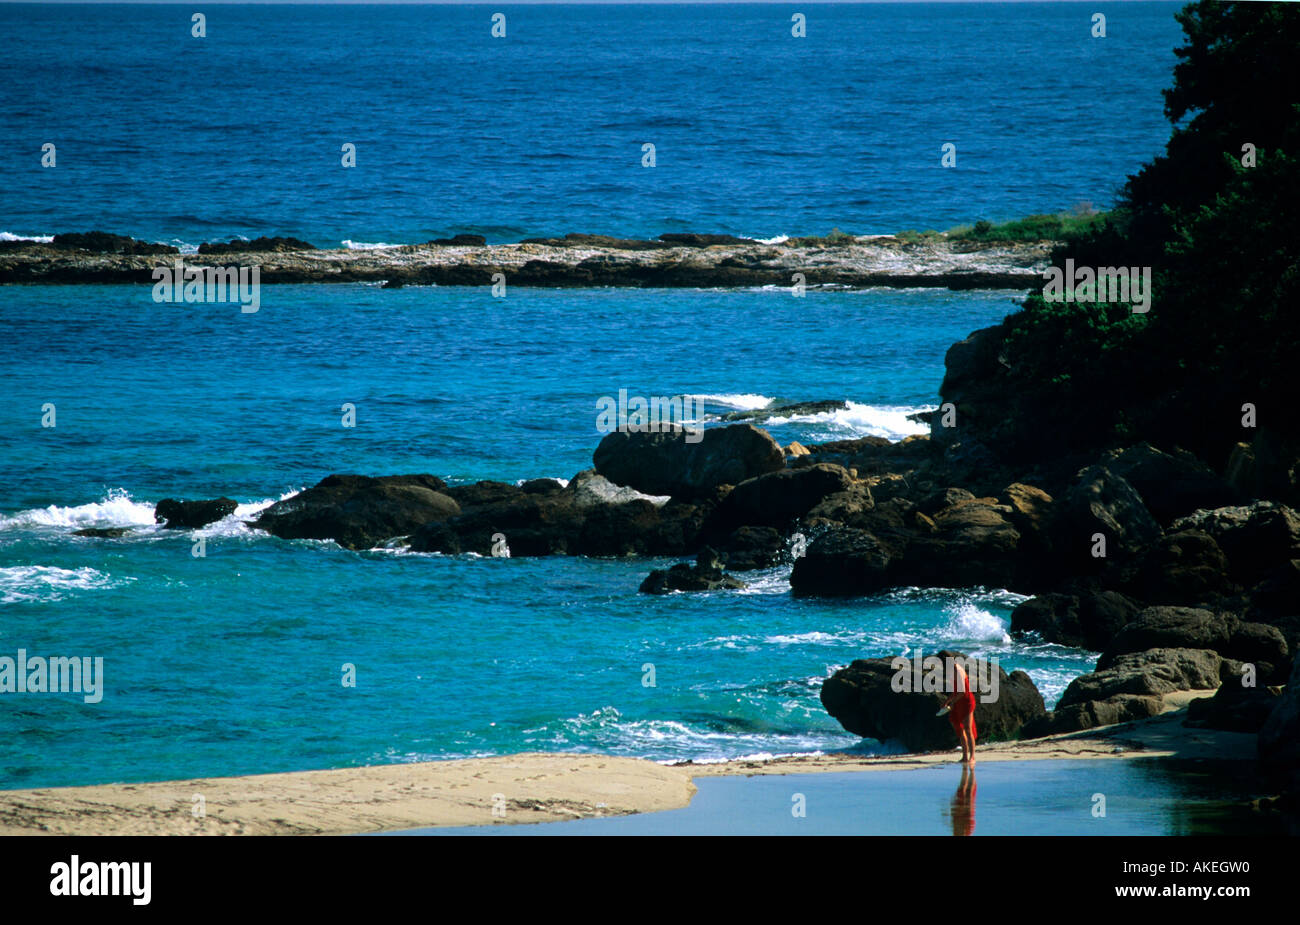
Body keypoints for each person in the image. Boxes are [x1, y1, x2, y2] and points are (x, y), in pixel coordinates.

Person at [940, 658, 977, 765]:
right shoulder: (952, 671)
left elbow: (962, 691)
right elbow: (955, 691)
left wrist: (952, 703)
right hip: (958, 702)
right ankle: (965, 756)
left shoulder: (958, 670)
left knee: (968, 729)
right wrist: (947, 701)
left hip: (966, 701)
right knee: (960, 729)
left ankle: (972, 757)